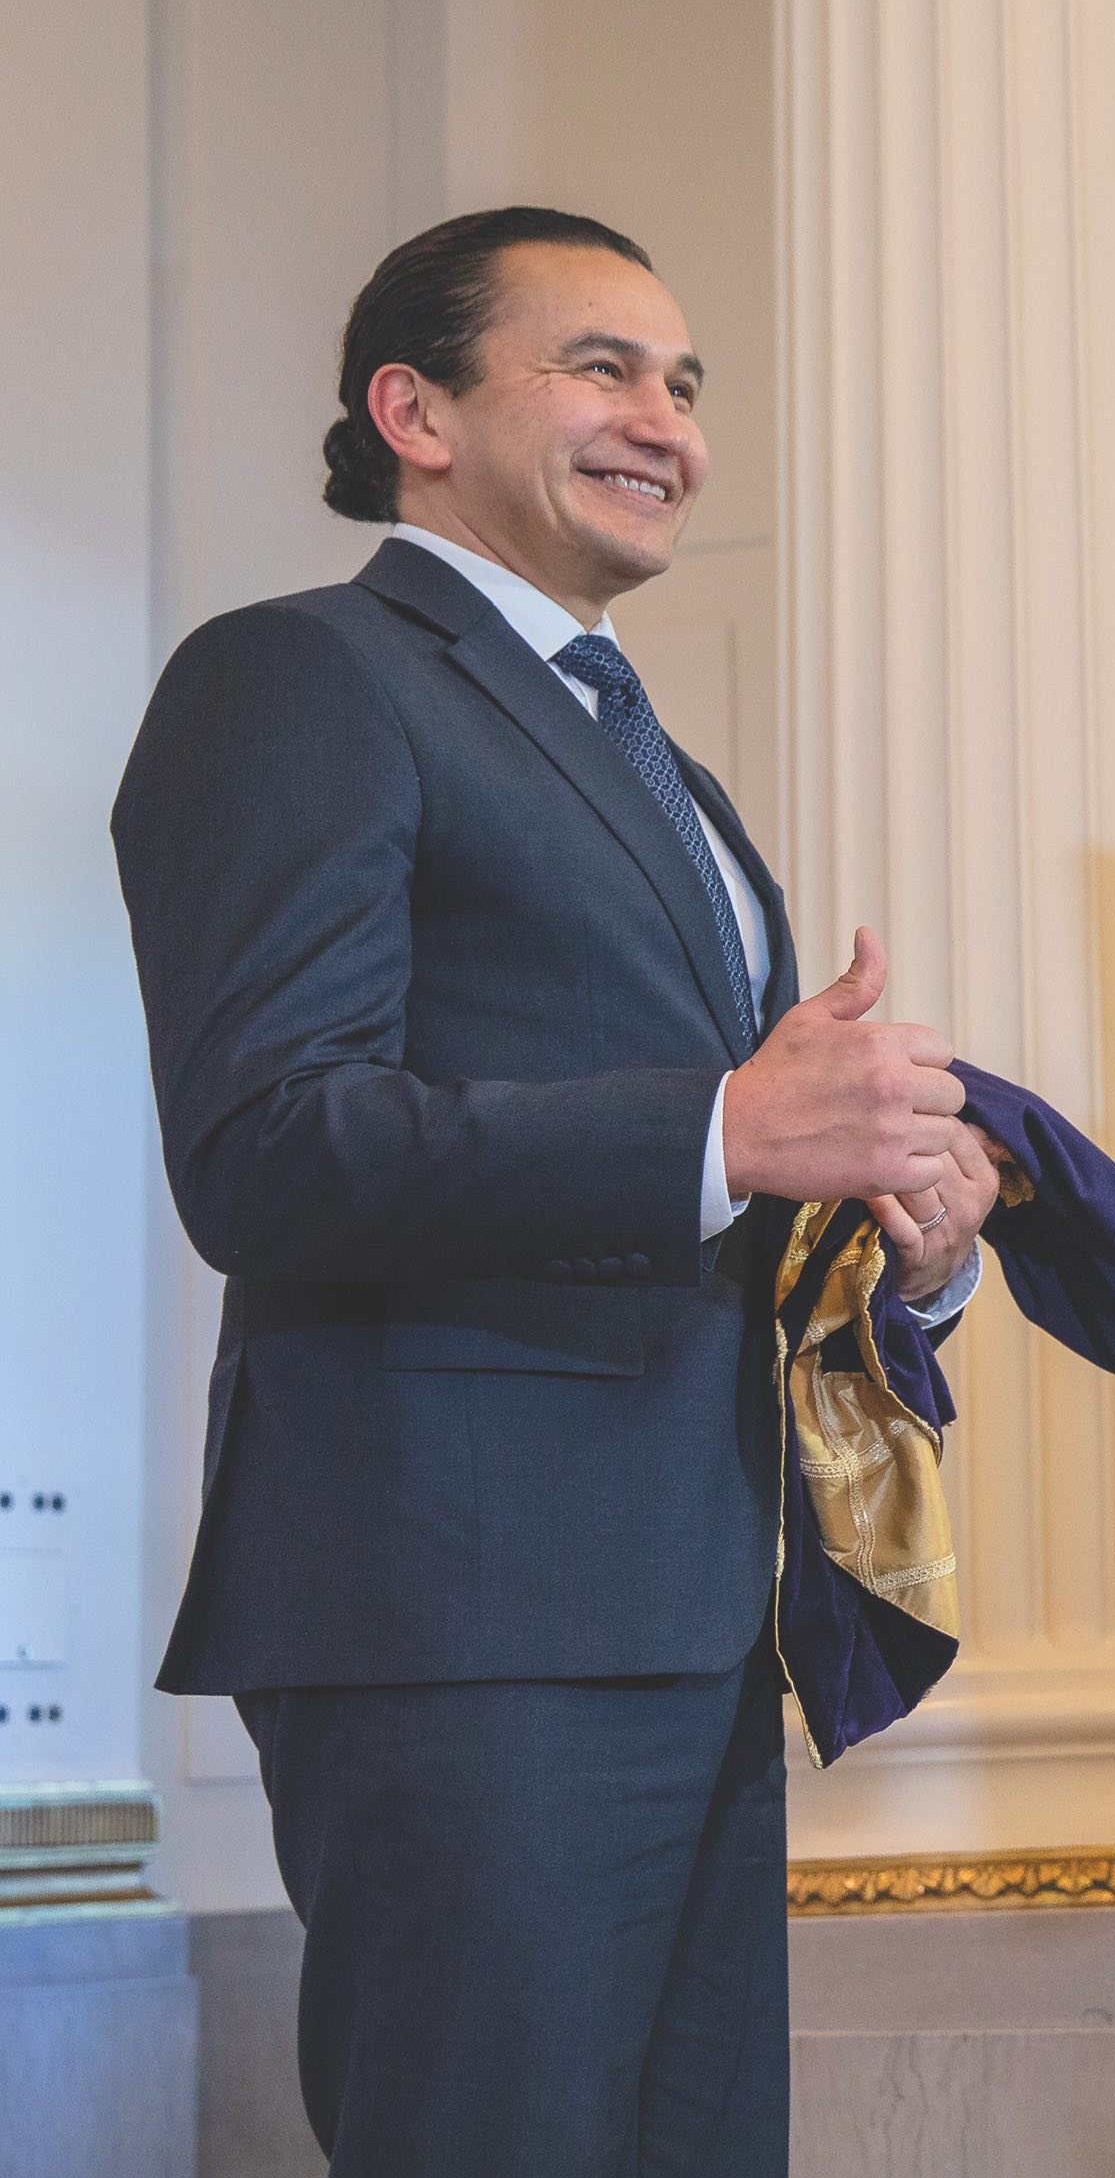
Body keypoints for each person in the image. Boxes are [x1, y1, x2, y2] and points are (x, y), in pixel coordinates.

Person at [112, 207, 1000, 2176]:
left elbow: (707, 1179)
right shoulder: (303, 677)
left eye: (685, 383)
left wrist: (891, 1237)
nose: (664, 419)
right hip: (458, 1608)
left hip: (693, 1600)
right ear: (409, 407)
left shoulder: (664, 769)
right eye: (600, 365)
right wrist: (724, 1127)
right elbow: (267, 1142)